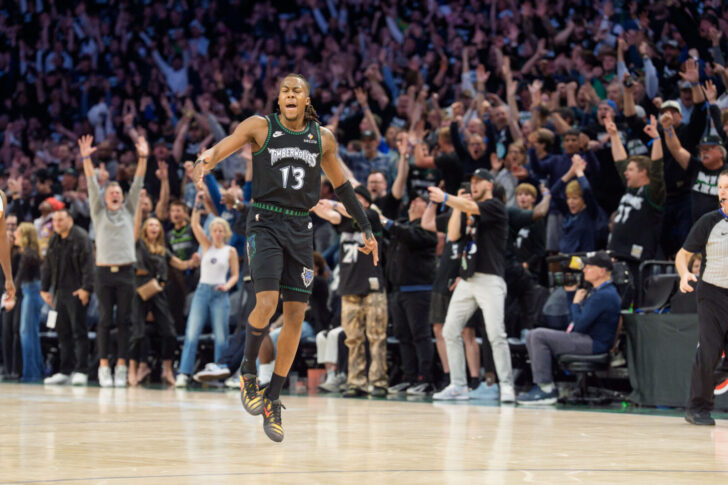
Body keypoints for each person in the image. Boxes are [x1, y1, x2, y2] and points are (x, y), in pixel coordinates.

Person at [193, 73, 377, 442]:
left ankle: (273, 399)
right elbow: (223, 147)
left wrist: (366, 227)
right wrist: (206, 159)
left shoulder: (322, 138)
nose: (290, 95)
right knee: (266, 301)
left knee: (295, 314)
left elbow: (342, 186)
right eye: (285, 91)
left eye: (297, 91)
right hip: (265, 221)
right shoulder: (260, 126)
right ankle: (247, 373)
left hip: (300, 227)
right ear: (279, 100)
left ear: (306, 100)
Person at [427, 169, 516, 403]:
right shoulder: (468, 210)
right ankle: (458, 385)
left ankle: (506, 385)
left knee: (496, 334)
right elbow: (454, 235)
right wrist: (457, 206)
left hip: (490, 279)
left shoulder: (495, 206)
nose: (474, 185)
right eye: (472, 182)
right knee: (449, 331)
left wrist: (446, 198)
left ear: (490, 184)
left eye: (478, 182)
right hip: (467, 280)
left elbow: (473, 207)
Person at [79, 134, 148, 388]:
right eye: (112, 192)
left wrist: (143, 157)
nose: (116, 194)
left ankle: (121, 366)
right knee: (105, 320)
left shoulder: (129, 209)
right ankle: (103, 367)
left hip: (126, 272)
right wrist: (86, 159)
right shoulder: (98, 211)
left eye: (119, 192)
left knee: (124, 321)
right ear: (106, 197)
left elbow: (138, 183)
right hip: (104, 273)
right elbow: (90, 184)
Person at [516, 251, 621, 405]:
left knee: (538, 335)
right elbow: (573, 322)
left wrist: (575, 303)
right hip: (586, 339)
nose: (585, 270)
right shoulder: (597, 292)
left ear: (602, 271)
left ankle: (546, 390)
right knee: (531, 335)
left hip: (594, 343)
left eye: (589, 267)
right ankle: (542, 386)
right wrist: (572, 296)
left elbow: (579, 326)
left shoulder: (604, 295)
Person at [312, 185, 387, 398]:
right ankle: (356, 382)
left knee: (376, 336)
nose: (350, 203)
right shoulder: (344, 223)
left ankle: (379, 382)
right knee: (353, 338)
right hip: (349, 287)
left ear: (365, 201)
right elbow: (332, 216)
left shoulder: (372, 217)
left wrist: (334, 203)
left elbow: (354, 212)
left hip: (372, 287)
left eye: (355, 199)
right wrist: (314, 205)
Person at [676, 170, 728, 426]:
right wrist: (684, 274)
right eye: (720, 187)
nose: (723, 191)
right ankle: (697, 408)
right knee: (709, 351)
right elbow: (683, 254)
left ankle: (711, 380)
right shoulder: (709, 221)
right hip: (712, 294)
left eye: (727, 187)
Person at [175, 195, 239, 387]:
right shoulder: (206, 246)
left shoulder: (230, 251)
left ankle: (219, 373)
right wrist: (197, 203)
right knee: (192, 333)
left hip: (220, 293)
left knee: (221, 336)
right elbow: (195, 225)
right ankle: (184, 372)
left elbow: (235, 275)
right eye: (215, 230)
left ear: (225, 232)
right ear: (210, 232)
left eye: (220, 230)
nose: (217, 233)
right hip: (202, 292)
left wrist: (227, 286)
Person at [129, 216, 197, 386]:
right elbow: (135, 226)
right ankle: (136, 367)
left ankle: (167, 369)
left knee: (169, 332)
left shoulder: (163, 250)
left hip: (158, 291)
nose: (154, 227)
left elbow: (180, 264)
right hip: (140, 292)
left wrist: (192, 262)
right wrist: (138, 205)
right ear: (145, 229)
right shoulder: (138, 244)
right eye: (150, 225)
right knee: (138, 333)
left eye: (157, 225)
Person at [40, 209, 94, 386]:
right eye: (55, 220)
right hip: (59, 292)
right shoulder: (54, 239)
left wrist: (86, 288)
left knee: (79, 331)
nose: (57, 223)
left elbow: (89, 264)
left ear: (70, 220)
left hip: (77, 291)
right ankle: (65, 370)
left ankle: (82, 370)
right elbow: (47, 265)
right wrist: (44, 289)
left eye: (60, 220)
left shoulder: (81, 237)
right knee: (63, 332)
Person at [13, 223, 43, 382]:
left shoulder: (28, 254)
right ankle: (36, 370)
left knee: (27, 333)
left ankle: (30, 373)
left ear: (24, 235)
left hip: (30, 292)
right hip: (30, 291)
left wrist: (11, 292)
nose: (14, 234)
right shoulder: (30, 253)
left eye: (17, 232)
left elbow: (20, 277)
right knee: (31, 333)